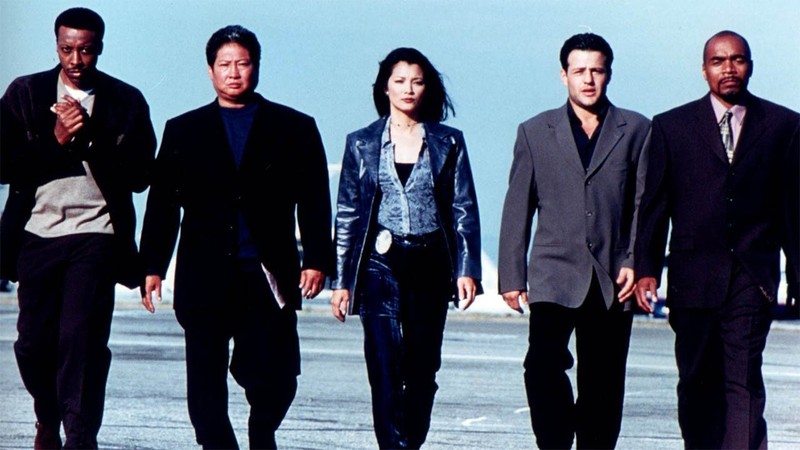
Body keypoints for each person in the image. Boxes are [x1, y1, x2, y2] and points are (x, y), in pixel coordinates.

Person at [139, 25, 333, 449]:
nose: (233, 72)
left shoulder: (295, 127)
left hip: (267, 273)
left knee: (276, 377)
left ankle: (262, 431)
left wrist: (317, 259)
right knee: (205, 386)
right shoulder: (184, 129)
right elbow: (163, 205)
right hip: (204, 275)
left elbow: (315, 200)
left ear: (256, 67)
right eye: (224, 64)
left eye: (242, 63)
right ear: (210, 70)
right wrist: (152, 265)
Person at [634, 30, 799, 449]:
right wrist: (646, 268)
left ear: (750, 66)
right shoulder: (671, 126)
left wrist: (797, 274)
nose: (729, 68)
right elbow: (654, 205)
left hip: (752, 275)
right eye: (718, 61)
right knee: (696, 383)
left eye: (737, 60)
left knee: (743, 379)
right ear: (704, 70)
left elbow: (793, 209)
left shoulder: (783, 125)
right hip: (692, 277)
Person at [0, 7, 156, 449]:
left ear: (99, 48)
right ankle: (48, 416)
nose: (75, 60)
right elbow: (5, 166)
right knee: (32, 344)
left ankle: (80, 436)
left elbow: (141, 176)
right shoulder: (24, 93)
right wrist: (56, 140)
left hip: (97, 235)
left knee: (81, 339)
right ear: (56, 46)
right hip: (36, 234)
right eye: (67, 49)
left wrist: (91, 138)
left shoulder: (125, 101)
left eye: (85, 50)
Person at [498, 33, 651, 449]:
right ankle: (555, 442)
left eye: (597, 70)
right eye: (579, 71)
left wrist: (635, 261)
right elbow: (517, 206)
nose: (588, 79)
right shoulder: (534, 131)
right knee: (541, 366)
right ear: (563, 75)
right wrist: (512, 276)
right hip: (553, 273)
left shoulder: (637, 130)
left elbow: (644, 204)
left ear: (609, 74)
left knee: (604, 381)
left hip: (613, 277)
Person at [330, 47, 482, 449]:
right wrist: (342, 281)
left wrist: (467, 269)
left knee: (422, 368)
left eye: (416, 81)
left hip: (431, 261)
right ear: (385, 87)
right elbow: (347, 213)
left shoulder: (448, 141)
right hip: (379, 263)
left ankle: (409, 442)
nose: (408, 89)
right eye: (399, 81)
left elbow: (464, 207)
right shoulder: (361, 143)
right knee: (383, 365)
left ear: (427, 87)